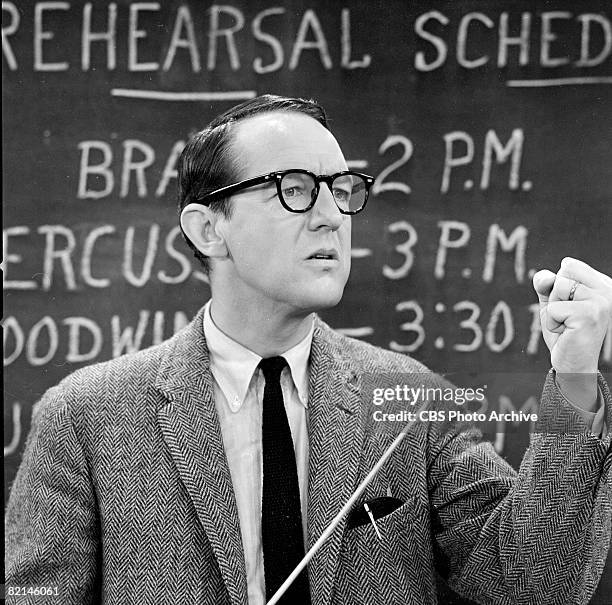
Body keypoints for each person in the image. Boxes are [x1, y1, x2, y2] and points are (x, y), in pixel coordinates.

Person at [5, 94, 612, 605]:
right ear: (208, 229)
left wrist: (576, 375)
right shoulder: (86, 417)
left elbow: (531, 586)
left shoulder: (412, 402)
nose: (332, 217)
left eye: (342, 188)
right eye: (293, 189)